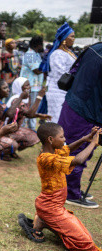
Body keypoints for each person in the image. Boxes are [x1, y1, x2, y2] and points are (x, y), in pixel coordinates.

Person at [18, 123, 102, 251]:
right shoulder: (47, 158)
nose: (64, 139)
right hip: (50, 208)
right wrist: (94, 144)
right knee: (85, 242)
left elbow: (67, 149)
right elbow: (78, 160)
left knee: (86, 234)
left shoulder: (53, 151)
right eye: (62, 137)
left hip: (53, 207)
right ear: (51, 139)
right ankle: (44, 219)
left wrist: (86, 138)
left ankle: (41, 221)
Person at [58, 42, 102, 208]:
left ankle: (69, 187)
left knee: (71, 147)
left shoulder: (95, 47)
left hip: (73, 102)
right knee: (80, 151)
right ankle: (71, 193)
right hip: (88, 110)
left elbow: (74, 70)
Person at [4, 77, 50, 158]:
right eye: (26, 85)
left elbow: (27, 113)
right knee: (32, 136)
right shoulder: (16, 100)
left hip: (14, 129)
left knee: (34, 136)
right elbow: (29, 114)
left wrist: (39, 115)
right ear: (19, 87)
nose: (29, 87)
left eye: (29, 85)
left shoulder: (25, 99)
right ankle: (7, 149)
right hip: (6, 130)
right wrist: (39, 97)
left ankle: (11, 150)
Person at [40, 22, 76, 124]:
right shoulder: (57, 54)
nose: (74, 39)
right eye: (72, 37)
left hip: (66, 90)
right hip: (57, 91)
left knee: (64, 119)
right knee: (56, 119)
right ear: (64, 38)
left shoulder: (67, 52)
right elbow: (61, 74)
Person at [20, 36, 44, 131]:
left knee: (33, 108)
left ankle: (31, 129)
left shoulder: (36, 54)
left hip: (35, 86)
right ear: (38, 45)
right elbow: (36, 70)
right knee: (28, 108)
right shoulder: (30, 54)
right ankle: (24, 129)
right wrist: (47, 67)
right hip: (29, 86)